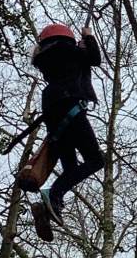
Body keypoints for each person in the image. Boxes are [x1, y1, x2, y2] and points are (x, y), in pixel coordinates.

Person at [32, 21, 105, 229]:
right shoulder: (67, 50)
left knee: (71, 169)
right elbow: (95, 59)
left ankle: (51, 206)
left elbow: (75, 68)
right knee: (96, 160)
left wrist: (81, 49)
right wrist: (88, 37)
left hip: (54, 117)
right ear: (67, 39)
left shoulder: (45, 59)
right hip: (71, 111)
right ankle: (53, 194)